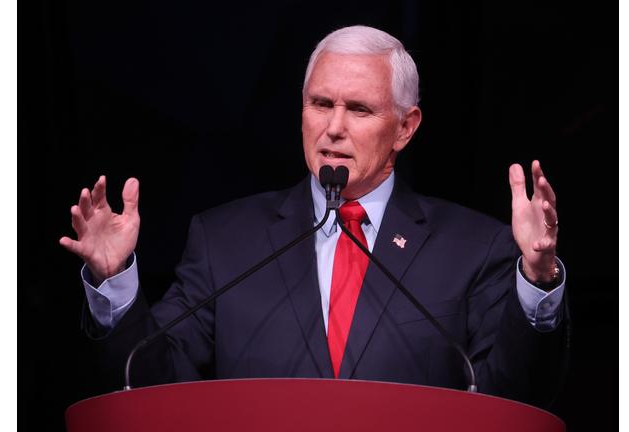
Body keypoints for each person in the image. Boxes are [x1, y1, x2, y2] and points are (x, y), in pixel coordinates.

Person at [60, 25, 569, 408]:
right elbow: (151, 387)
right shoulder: (224, 241)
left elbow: (513, 397)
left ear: (405, 127)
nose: (334, 128)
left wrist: (538, 280)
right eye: (321, 104)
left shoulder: (474, 248)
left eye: (361, 110)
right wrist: (115, 282)